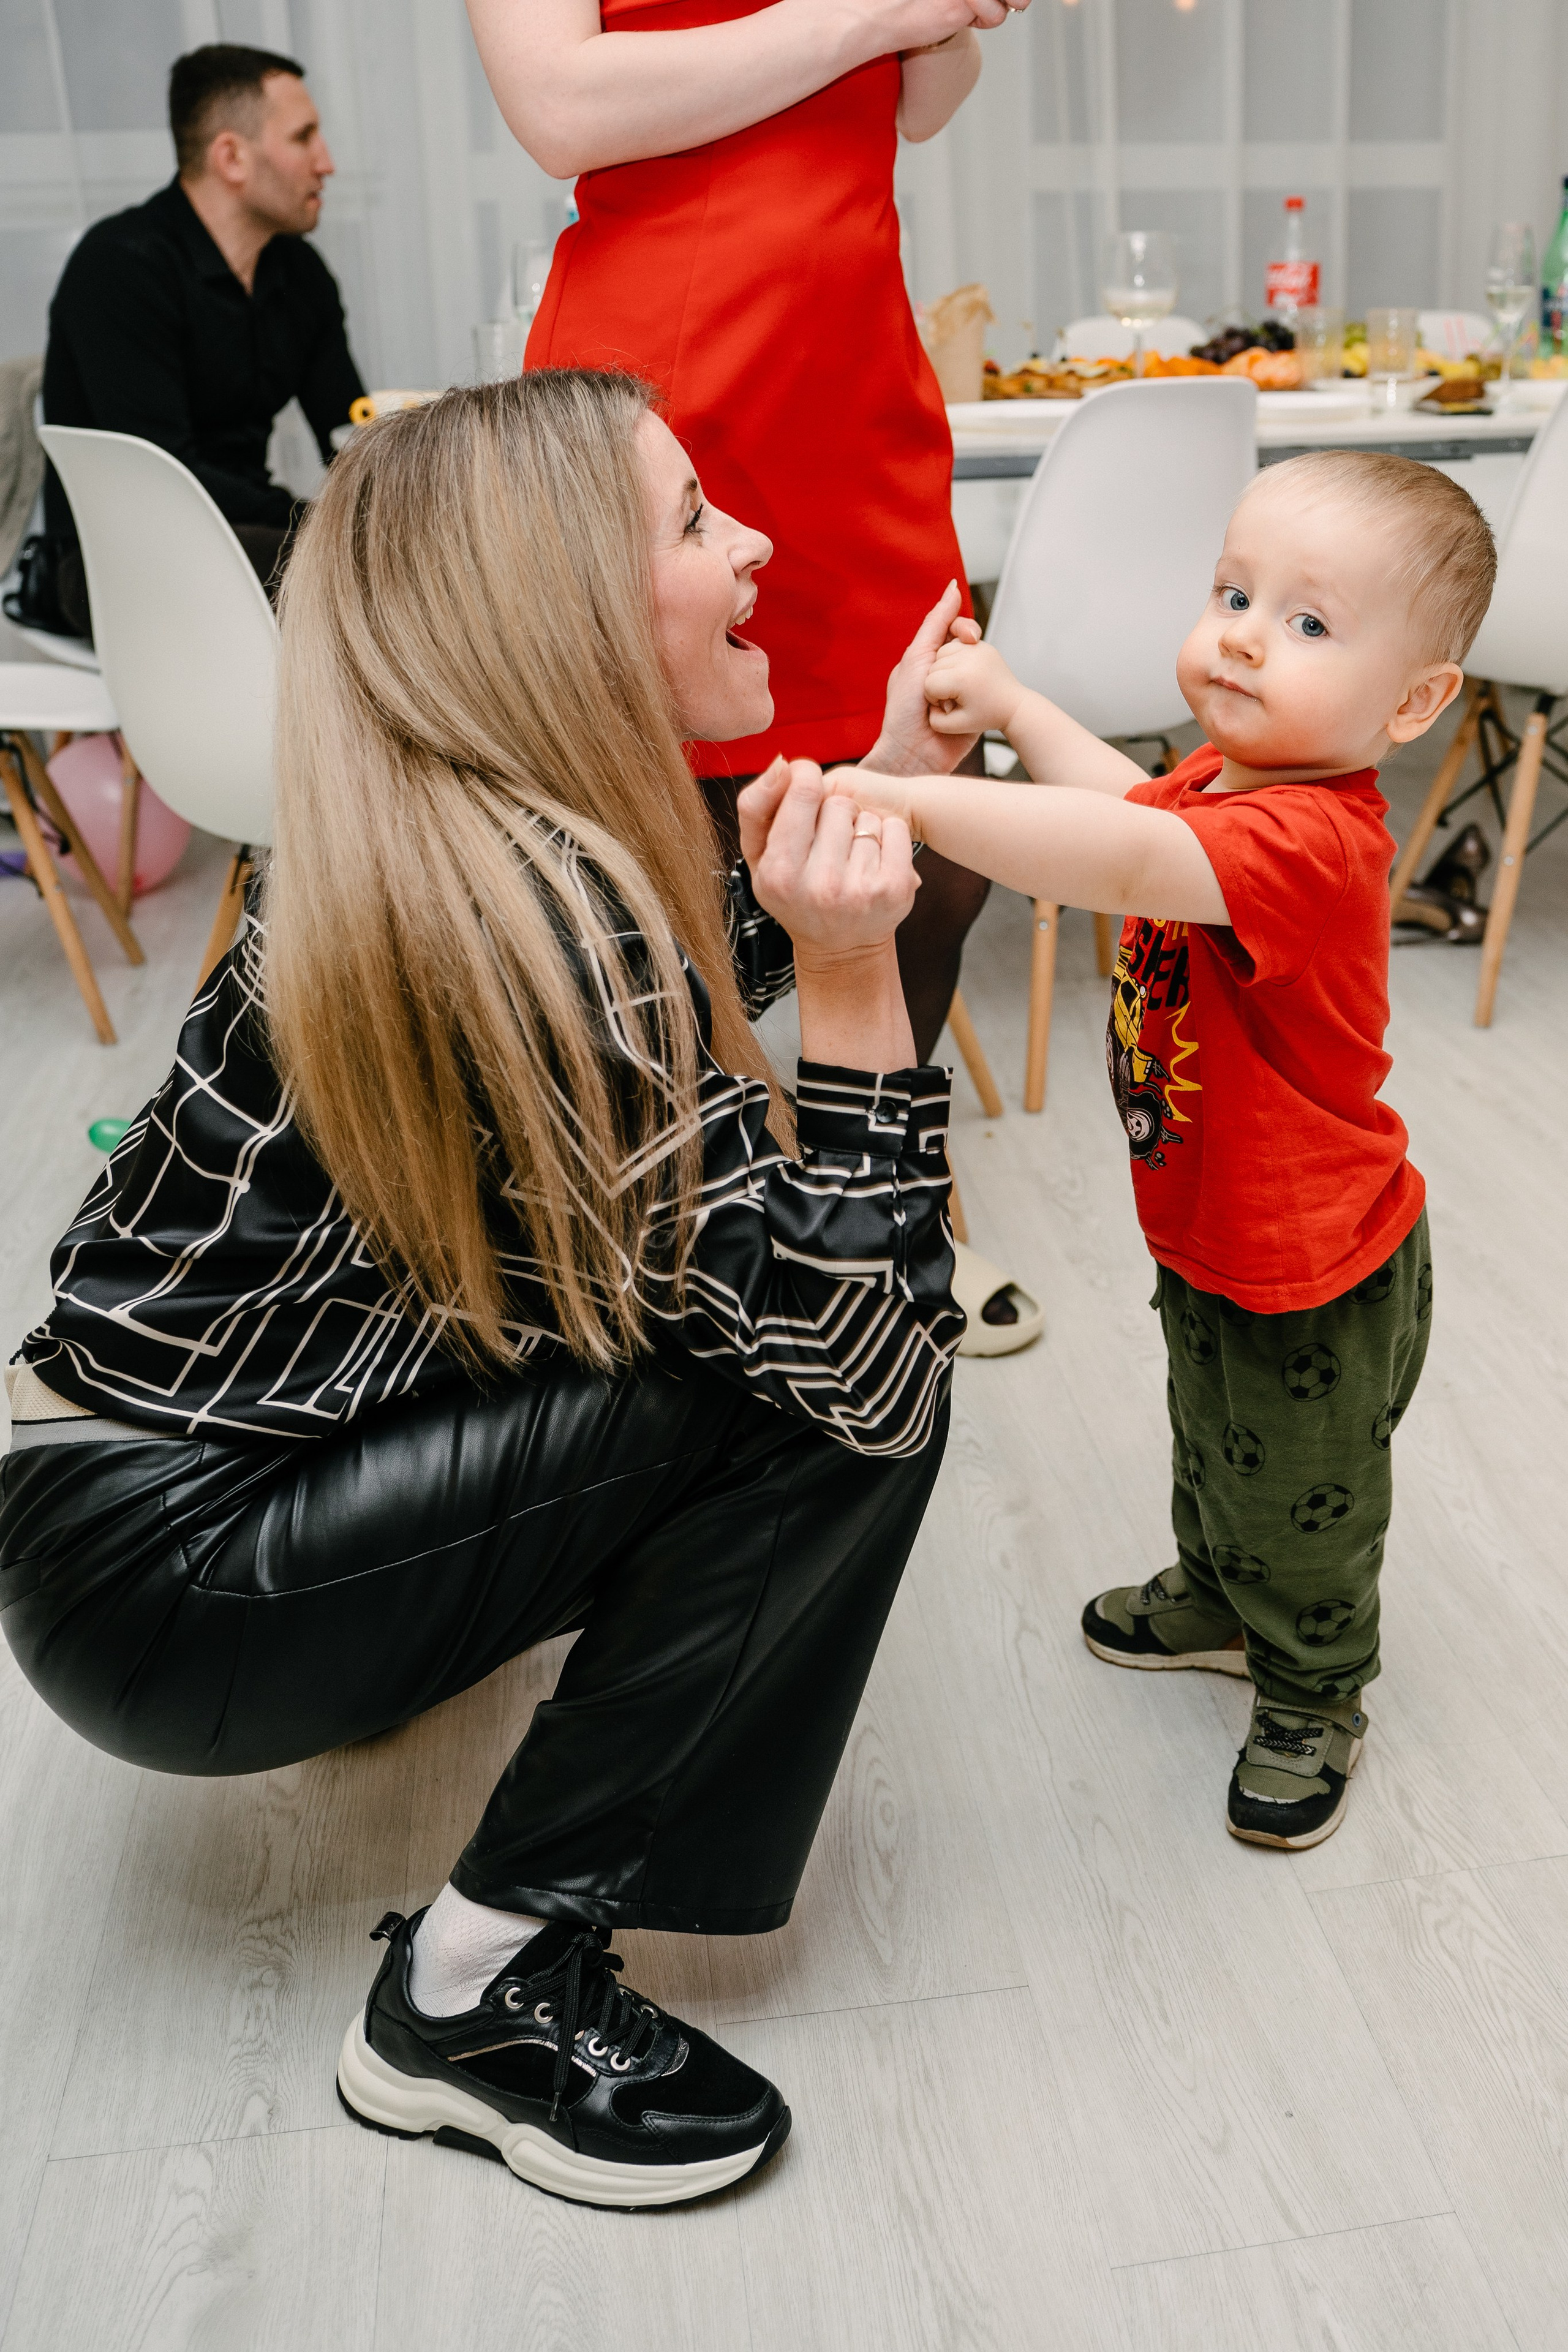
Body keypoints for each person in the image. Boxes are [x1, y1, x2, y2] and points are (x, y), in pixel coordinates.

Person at [0, 371, 962, 2208]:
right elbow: (862, 1358)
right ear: (567, 613)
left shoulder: (468, 831)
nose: (749, 542)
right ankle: (476, 1993)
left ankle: (404, 1718)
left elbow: (656, 1014)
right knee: (833, 1388)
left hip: (118, 1504)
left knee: (762, 1316)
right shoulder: (537, 915)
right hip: (170, 1580)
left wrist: (889, 786)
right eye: (693, 519)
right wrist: (855, 981)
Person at [820, 451, 1498, 1849]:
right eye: (1233, 592)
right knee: (1210, 1430)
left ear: (1412, 702)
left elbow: (1111, 864)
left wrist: (903, 801)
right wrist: (1011, 712)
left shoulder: (1309, 840)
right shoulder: (1228, 777)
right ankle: (1210, 1587)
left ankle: (1312, 1682)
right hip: (1208, 1222)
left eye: (1308, 623)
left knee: (1301, 1486)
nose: (1243, 632)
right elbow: (1130, 814)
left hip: (1310, 1259)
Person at [466, 0, 1040, 1343]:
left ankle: (886, 1197)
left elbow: (919, 99)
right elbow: (560, 107)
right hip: (681, 382)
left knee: (932, 839)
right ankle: (683, 1218)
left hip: (854, 386)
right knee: (669, 837)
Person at [28, 43, 362, 639]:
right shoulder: (120, 265)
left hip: (247, 532)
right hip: (114, 558)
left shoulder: (300, 274)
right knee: (346, 578)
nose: (326, 162)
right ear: (231, 157)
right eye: (303, 137)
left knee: (391, 564)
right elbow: (164, 474)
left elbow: (347, 432)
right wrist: (314, 525)